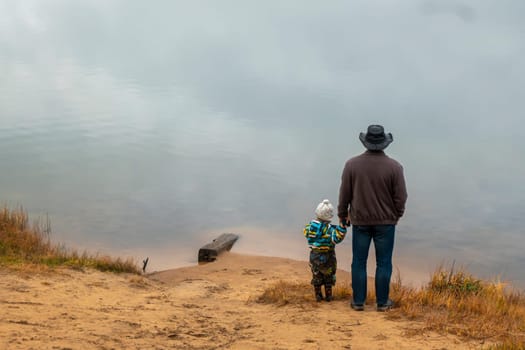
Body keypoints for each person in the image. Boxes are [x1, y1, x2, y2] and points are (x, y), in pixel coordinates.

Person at [337, 125, 407, 312]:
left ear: (366, 142)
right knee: (384, 262)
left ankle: (358, 301)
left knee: (358, 261)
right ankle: (382, 302)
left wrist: (342, 214)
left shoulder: (352, 165)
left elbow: (345, 193)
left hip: (360, 221)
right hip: (386, 223)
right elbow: (401, 197)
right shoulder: (395, 167)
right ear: (384, 144)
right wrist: (396, 215)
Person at [304, 199, 347, 302]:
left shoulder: (310, 227)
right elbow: (337, 239)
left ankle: (318, 296)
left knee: (316, 274)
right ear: (330, 216)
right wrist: (342, 228)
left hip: (314, 255)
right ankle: (328, 296)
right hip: (328, 256)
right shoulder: (330, 230)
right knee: (328, 276)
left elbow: (305, 232)